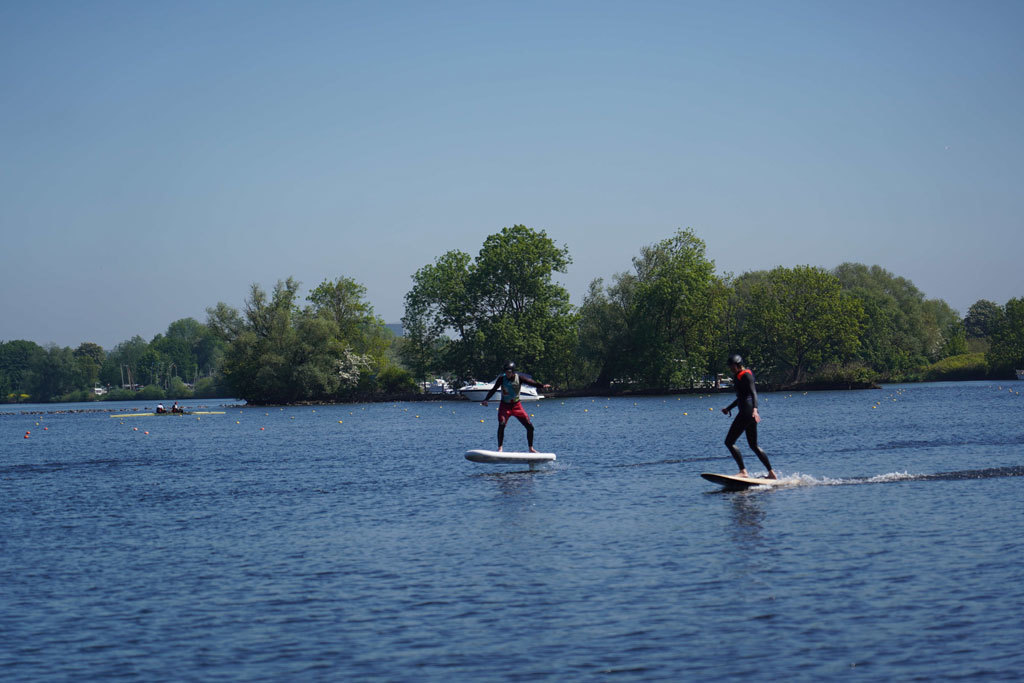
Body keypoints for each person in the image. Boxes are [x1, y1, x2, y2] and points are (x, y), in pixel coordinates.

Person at [721, 354, 777, 479]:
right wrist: (728, 408)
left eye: (732, 366)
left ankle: (743, 471)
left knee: (729, 442)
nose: (731, 368)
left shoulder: (746, 375)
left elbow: (753, 393)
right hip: (748, 413)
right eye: (730, 366)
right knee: (753, 445)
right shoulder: (738, 376)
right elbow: (741, 397)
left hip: (747, 412)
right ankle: (772, 473)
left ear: (738, 364)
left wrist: (755, 410)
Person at [481, 361, 552, 452]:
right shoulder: (501, 379)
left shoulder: (519, 378)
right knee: (501, 424)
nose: (507, 374)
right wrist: (486, 399)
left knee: (530, 427)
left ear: (513, 372)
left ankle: (531, 448)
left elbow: (531, 382)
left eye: (509, 372)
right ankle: (500, 448)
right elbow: (493, 389)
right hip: (504, 406)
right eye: (506, 372)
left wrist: (542, 385)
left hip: (516, 406)